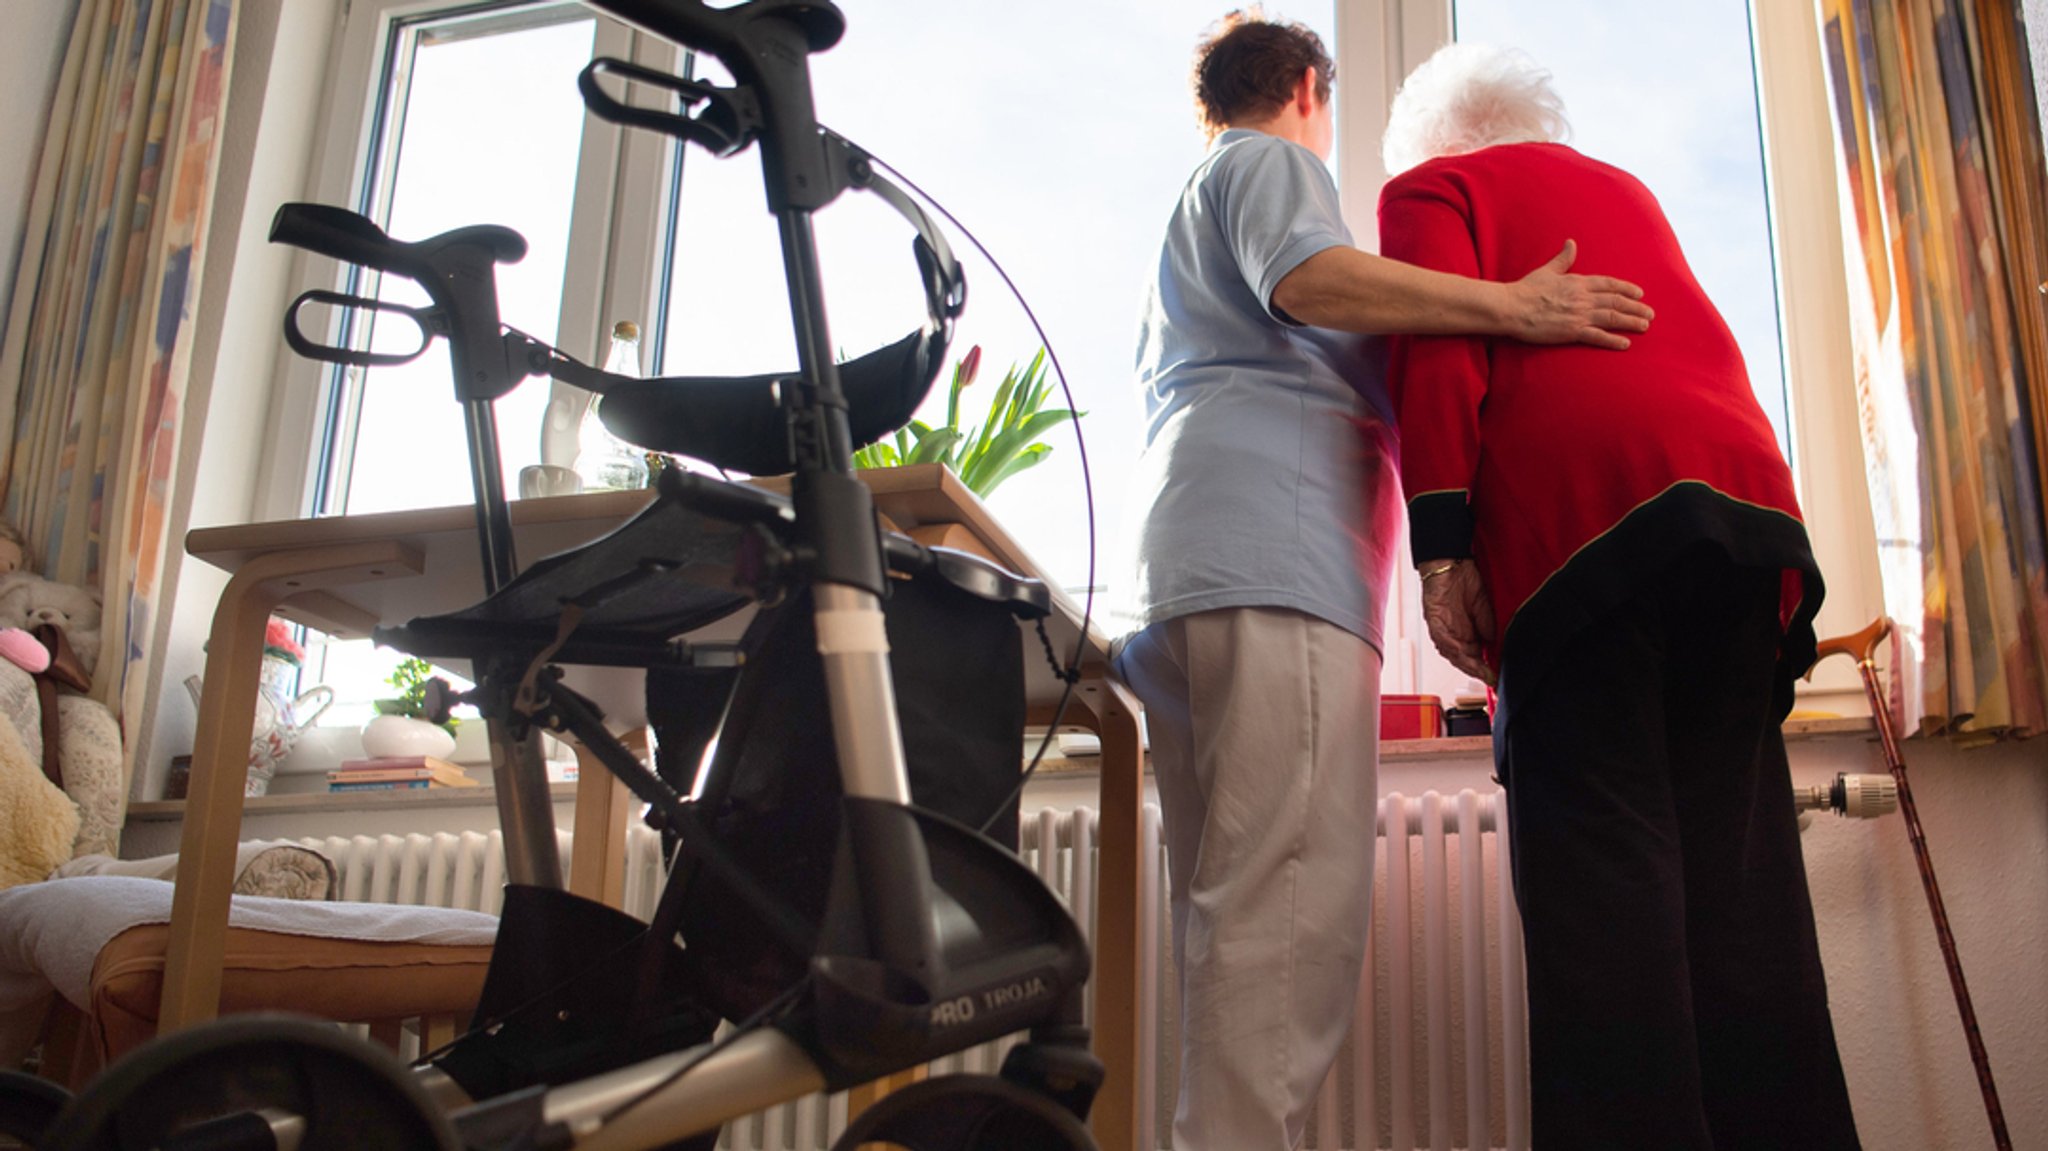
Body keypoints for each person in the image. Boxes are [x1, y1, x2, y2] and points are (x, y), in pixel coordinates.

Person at [1108, 14, 1654, 1149]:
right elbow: (1311, 283)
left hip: (1188, 577)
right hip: (1271, 570)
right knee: (1287, 927)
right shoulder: (1266, 164)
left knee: (1229, 924)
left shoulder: (1187, 219)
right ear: (1309, 86)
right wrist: (1512, 305)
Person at [1377, 43, 1861, 1150]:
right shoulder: (1622, 188)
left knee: (1605, 903)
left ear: (1428, 141)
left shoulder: (1431, 191)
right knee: (1742, 903)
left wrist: (1443, 548)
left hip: (1586, 533)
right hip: (1740, 528)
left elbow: (1438, 352)